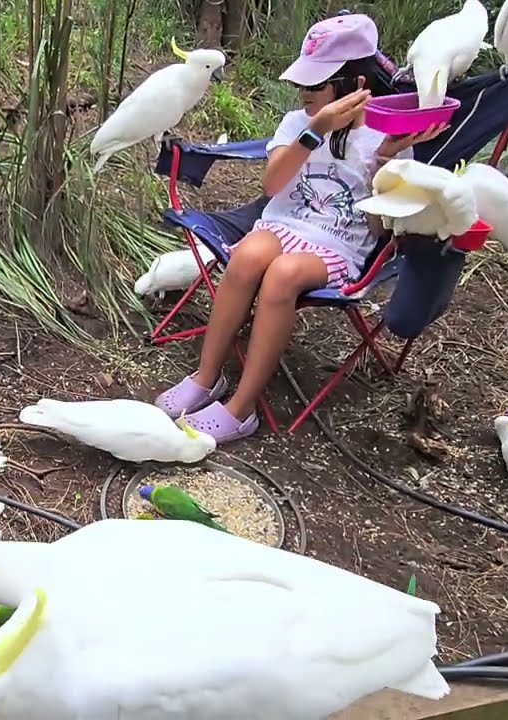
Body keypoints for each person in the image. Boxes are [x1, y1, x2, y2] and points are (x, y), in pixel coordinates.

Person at [154, 13, 448, 442]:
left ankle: (242, 408)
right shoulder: (297, 124)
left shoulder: (385, 141)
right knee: (246, 257)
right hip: (282, 224)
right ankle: (206, 377)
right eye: (303, 85)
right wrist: (315, 131)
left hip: (338, 246)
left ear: (355, 85)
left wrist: (384, 165)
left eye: (316, 85)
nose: (305, 93)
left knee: (283, 275)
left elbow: (378, 228)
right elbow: (272, 185)